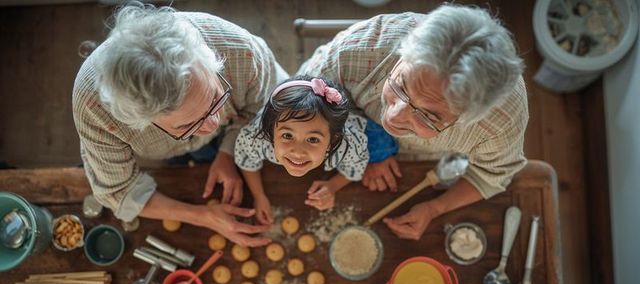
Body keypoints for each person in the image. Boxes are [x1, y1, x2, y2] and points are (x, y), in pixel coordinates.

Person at [297, 4, 528, 240]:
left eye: (428, 115)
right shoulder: (359, 48)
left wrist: (434, 208)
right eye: (401, 83)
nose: (394, 116)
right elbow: (305, 100)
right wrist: (372, 147)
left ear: (468, 119)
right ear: (403, 54)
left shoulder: (502, 122)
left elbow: (490, 175)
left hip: (430, 161)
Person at [72, 3, 287, 246]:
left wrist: (227, 151)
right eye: (188, 125)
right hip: (167, 151)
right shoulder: (95, 111)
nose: (214, 124)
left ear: (209, 60)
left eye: (215, 97)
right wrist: (202, 216)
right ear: (141, 123)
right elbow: (120, 190)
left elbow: (259, 107)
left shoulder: (242, 50)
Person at [234, 76, 369, 225]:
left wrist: (333, 186)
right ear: (271, 134)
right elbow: (245, 157)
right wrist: (258, 196)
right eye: (287, 135)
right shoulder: (256, 138)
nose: (298, 152)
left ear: (332, 141)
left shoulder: (348, 146)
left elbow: (356, 166)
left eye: (313, 139)